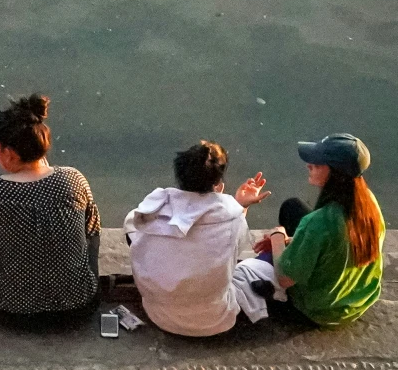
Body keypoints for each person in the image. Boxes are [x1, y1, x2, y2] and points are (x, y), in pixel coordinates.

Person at [0, 93, 100, 329]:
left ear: (9, 153)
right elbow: (92, 233)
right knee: (89, 233)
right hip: (78, 308)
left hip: (9, 311)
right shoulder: (73, 179)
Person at [124, 141, 275, 338]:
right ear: (218, 184)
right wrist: (240, 206)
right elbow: (234, 244)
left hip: (159, 314)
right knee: (256, 267)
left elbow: (134, 225)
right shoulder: (232, 217)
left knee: (133, 228)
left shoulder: (154, 207)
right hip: (214, 319)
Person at [254, 133, 382, 329]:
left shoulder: (318, 222)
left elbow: (285, 279)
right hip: (359, 302)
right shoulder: (369, 205)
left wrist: (278, 238)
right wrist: (295, 241)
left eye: (317, 163)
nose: (309, 165)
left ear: (334, 173)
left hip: (320, 311)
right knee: (293, 207)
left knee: (253, 280)